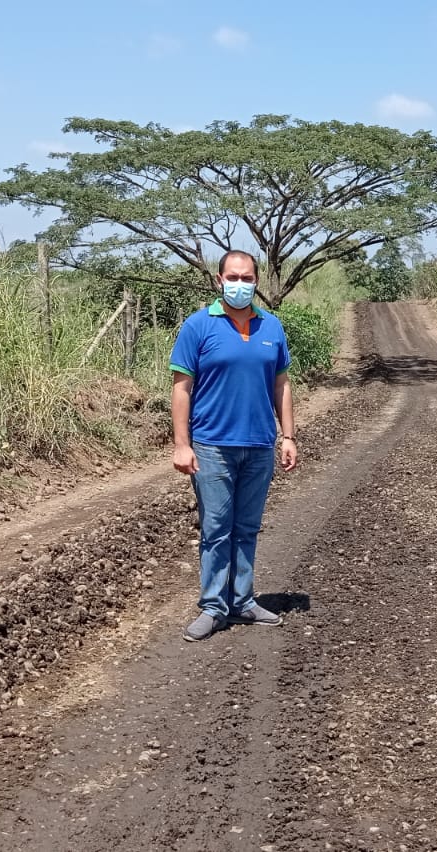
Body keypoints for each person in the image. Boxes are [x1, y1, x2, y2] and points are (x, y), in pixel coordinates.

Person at [169, 250, 299, 642]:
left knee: (247, 528)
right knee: (216, 529)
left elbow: (281, 384)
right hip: (212, 446)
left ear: (257, 281)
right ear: (219, 279)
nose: (239, 284)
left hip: (259, 446)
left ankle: (242, 601)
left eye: (247, 278)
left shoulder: (271, 327)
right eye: (233, 277)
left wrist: (288, 436)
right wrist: (181, 444)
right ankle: (213, 606)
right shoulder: (198, 326)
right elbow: (181, 388)